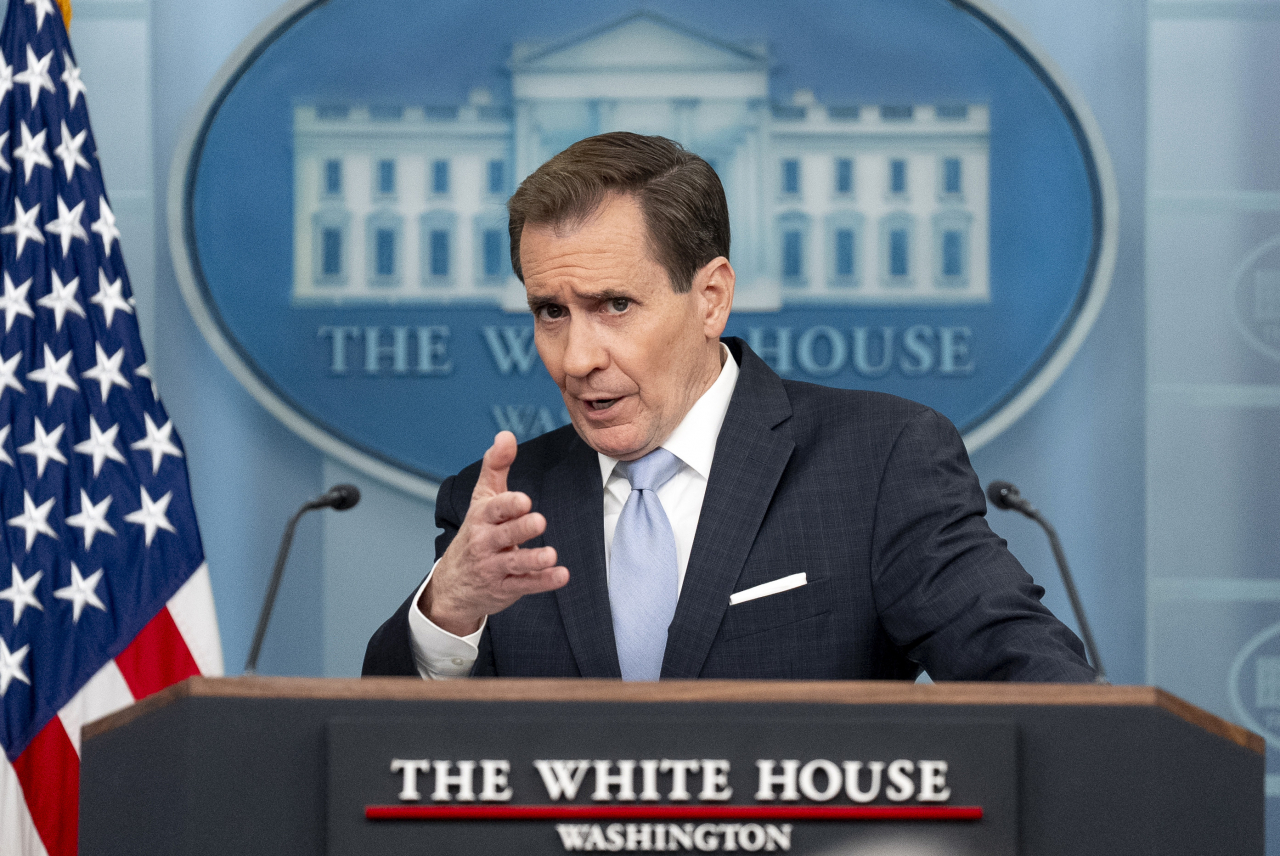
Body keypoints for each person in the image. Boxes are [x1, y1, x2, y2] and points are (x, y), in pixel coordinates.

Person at [363, 132, 1096, 683]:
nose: (577, 357)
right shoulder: (502, 507)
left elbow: (1031, 679)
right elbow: (384, 755)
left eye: (614, 305)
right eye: (551, 311)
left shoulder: (877, 463)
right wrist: (446, 611)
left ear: (710, 298)